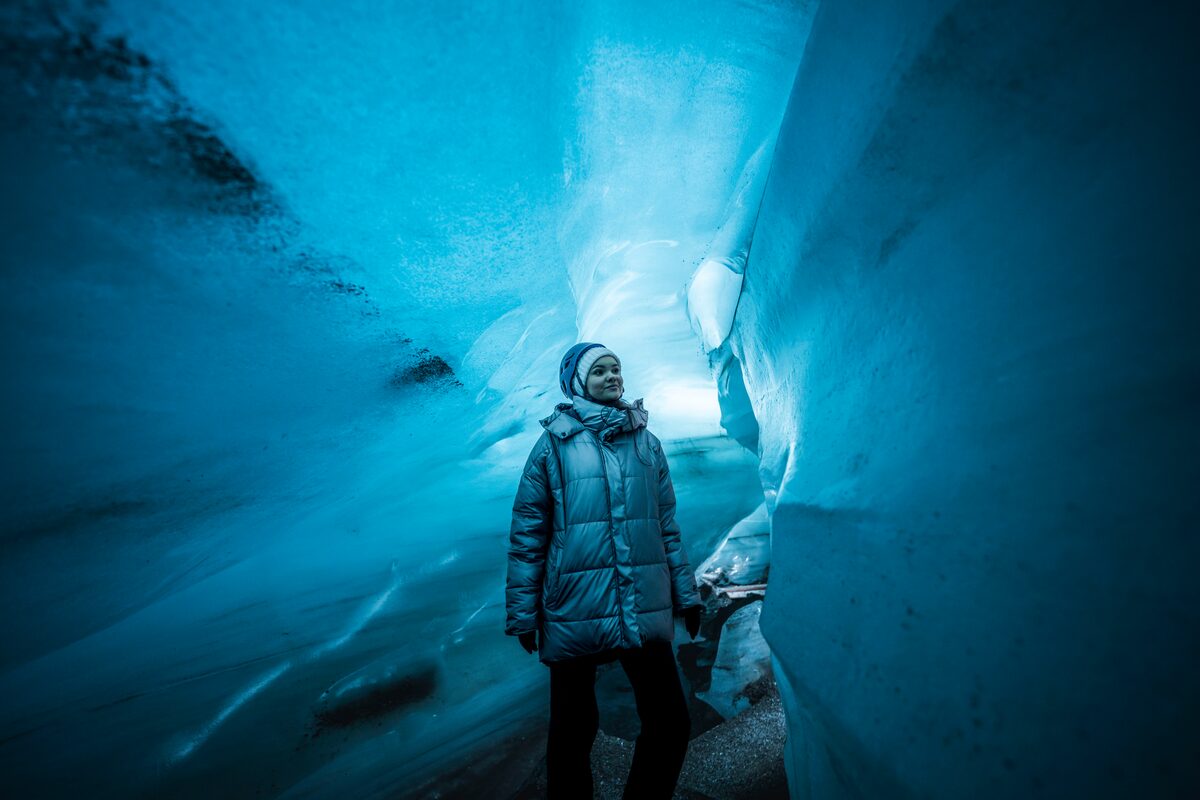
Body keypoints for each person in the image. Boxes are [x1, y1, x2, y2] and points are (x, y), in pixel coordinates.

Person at [505, 342, 704, 799]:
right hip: (575, 607)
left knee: (670, 722)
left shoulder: (646, 444)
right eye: (600, 371)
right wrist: (522, 613)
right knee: (574, 731)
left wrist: (686, 594)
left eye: (616, 369)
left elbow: (666, 527)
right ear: (577, 382)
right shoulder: (553, 446)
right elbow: (528, 534)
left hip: (640, 603)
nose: (613, 377)